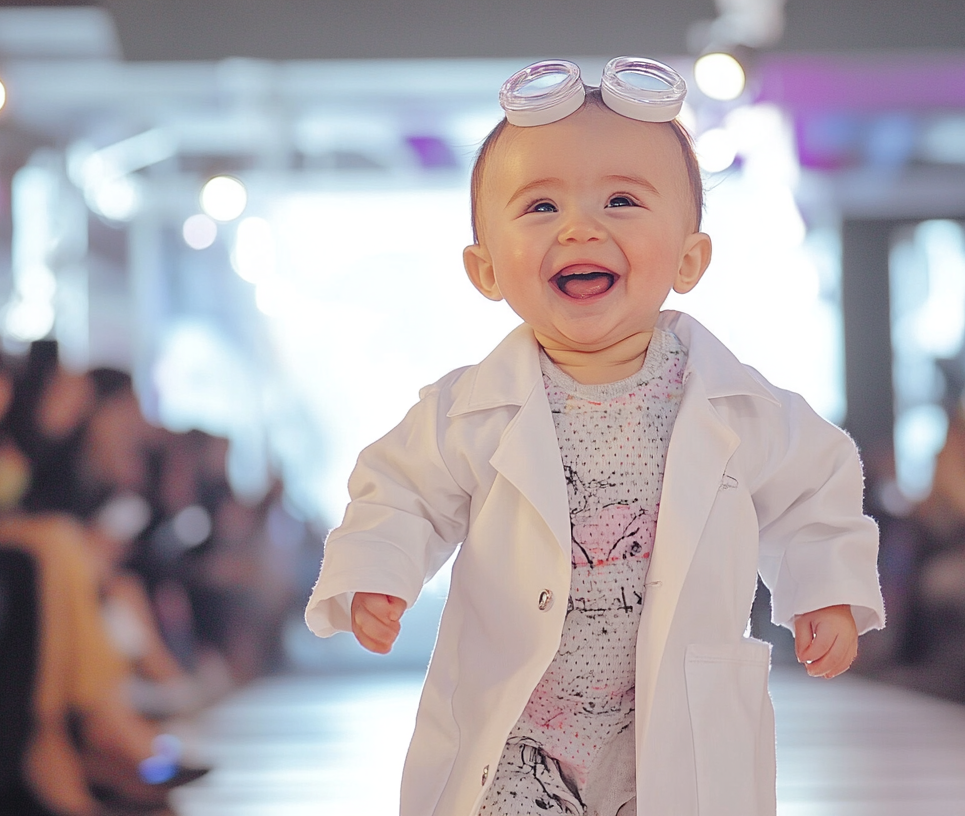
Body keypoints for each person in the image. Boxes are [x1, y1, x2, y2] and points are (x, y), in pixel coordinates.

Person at [305, 58, 884, 816]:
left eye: (621, 199)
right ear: (485, 269)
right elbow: (399, 491)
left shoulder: (735, 405)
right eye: (540, 207)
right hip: (523, 730)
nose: (581, 226)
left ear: (688, 259)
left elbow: (817, 485)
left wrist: (826, 590)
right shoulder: (466, 411)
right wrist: (379, 570)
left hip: (668, 719)